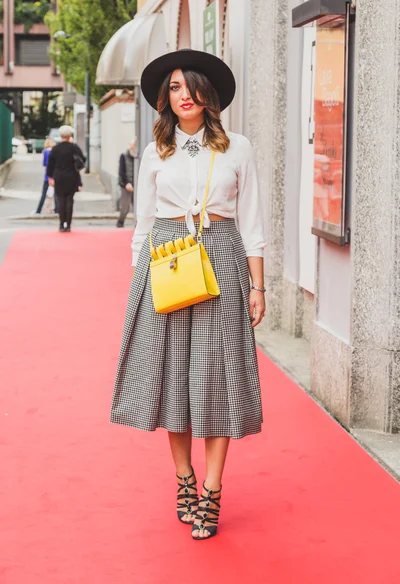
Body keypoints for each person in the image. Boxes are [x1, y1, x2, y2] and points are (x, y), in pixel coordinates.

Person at [110, 49, 266, 541]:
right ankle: (184, 481)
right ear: (166, 97)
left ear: (208, 94)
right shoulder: (156, 150)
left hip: (222, 255)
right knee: (174, 377)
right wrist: (139, 278)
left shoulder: (237, 147)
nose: (183, 96)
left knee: (216, 379)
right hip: (167, 256)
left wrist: (257, 284)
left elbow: (253, 223)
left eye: (190, 87)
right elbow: (143, 223)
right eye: (174, 88)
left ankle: (213, 491)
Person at [47, 126, 85, 232]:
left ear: (60, 136)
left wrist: (50, 177)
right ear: (70, 136)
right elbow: (83, 159)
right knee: (69, 201)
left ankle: (61, 224)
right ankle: (68, 225)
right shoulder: (74, 148)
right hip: (72, 177)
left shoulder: (56, 149)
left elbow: (50, 165)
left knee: (61, 200)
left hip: (59, 177)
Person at [33, 137, 59, 215]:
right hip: (55, 175)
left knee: (44, 194)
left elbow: (44, 164)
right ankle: (57, 210)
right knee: (56, 194)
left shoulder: (45, 152)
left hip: (47, 176)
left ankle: (38, 210)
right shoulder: (55, 151)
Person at [116, 139, 136, 228]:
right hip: (126, 185)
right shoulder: (124, 156)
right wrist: (126, 183)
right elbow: (121, 172)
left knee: (138, 207)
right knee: (125, 207)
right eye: (133, 145)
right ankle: (120, 223)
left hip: (136, 185)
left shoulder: (137, 156)